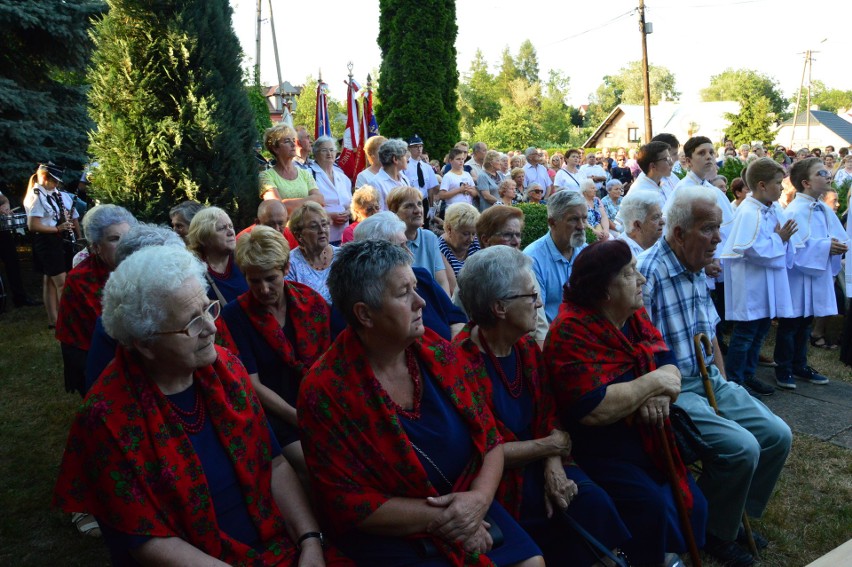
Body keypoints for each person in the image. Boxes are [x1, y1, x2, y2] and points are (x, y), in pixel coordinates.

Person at [53, 245, 346, 566]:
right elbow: (146, 539)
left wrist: (310, 541)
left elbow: (274, 464)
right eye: (192, 322)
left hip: (279, 546)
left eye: (209, 309)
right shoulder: (107, 419)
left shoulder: (228, 371)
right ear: (144, 342)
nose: (211, 328)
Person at [298, 239, 544, 567]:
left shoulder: (437, 352)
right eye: (404, 293)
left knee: (531, 563)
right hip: (395, 533)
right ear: (364, 314)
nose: (421, 302)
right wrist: (447, 517)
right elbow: (344, 501)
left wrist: (477, 502)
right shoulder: (326, 390)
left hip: (470, 503)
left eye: (416, 287)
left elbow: (491, 440)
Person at [638, 186, 792, 567]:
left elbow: (711, 336)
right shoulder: (647, 273)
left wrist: (726, 383)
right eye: (709, 229)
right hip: (673, 389)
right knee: (743, 448)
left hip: (709, 379)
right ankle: (713, 531)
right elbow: (638, 352)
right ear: (678, 233)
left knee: (777, 436)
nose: (718, 238)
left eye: (718, 228)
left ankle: (729, 512)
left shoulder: (694, 267)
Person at [455, 246, 630, 566]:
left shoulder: (525, 347)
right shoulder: (461, 361)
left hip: (546, 462)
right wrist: (550, 446)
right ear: (499, 307)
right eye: (531, 295)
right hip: (500, 482)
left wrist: (553, 463)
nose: (538, 303)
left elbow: (549, 412)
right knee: (551, 517)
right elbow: (484, 449)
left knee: (592, 503)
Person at [545, 239, 707, 566]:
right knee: (651, 506)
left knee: (696, 503)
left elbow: (669, 363)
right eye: (630, 273)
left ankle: (668, 554)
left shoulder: (633, 316)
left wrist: (658, 393)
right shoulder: (571, 330)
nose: (642, 279)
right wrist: (651, 383)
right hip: (597, 450)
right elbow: (591, 407)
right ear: (605, 290)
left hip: (646, 437)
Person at [223, 225, 330, 477]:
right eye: (254, 280)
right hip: (277, 417)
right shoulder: (235, 315)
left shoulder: (310, 301)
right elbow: (252, 384)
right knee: (323, 468)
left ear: (284, 269)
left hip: (322, 404)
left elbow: (333, 360)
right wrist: (300, 419)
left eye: (271, 278)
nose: (264, 289)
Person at [721, 157, 797, 397]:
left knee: (761, 331)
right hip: (751, 283)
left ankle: (749, 374)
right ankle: (735, 380)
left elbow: (785, 236)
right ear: (762, 185)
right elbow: (750, 248)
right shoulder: (748, 211)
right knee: (745, 334)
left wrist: (783, 239)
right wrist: (780, 239)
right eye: (778, 183)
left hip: (767, 282)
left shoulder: (773, 208)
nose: (783, 188)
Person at [774, 157, 846, 388]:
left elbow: (838, 236)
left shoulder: (823, 209)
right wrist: (826, 246)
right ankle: (783, 367)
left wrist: (838, 245)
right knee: (790, 324)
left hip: (815, 275)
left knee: (805, 322)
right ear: (806, 182)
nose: (827, 176)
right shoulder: (795, 210)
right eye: (821, 173)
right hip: (797, 277)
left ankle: (800, 364)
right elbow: (795, 248)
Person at [56, 204, 136, 396]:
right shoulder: (81, 278)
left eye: (127, 237)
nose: (124, 245)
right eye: (114, 239)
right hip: (92, 353)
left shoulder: (140, 266)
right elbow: (105, 327)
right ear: (96, 247)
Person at [354, 212, 467, 340]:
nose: (410, 254)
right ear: (375, 256)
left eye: (406, 245)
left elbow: (456, 317)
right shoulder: (364, 295)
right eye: (400, 248)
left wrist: (451, 351)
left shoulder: (421, 276)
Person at [471, 206, 549, 347]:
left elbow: (541, 327)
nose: (516, 241)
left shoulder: (526, 272)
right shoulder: (472, 276)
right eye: (507, 235)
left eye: (518, 235)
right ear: (486, 239)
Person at [23, 162, 80, 328]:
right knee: (61, 283)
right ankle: (69, 319)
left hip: (56, 238)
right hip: (46, 240)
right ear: (43, 178)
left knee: (49, 280)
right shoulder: (36, 196)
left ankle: (53, 320)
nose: (57, 184)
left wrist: (66, 223)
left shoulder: (53, 192)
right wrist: (58, 228)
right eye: (54, 181)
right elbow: (32, 226)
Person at [523, 190, 587, 322]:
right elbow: (537, 320)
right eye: (574, 219)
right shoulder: (533, 259)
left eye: (584, 218)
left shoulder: (586, 251)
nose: (581, 226)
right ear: (552, 223)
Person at [388, 185, 452, 296]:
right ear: (394, 212)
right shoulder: (389, 242)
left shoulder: (429, 238)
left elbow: (441, 281)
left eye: (419, 204)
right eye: (409, 206)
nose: (418, 210)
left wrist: (445, 309)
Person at [187, 206, 248, 304]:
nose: (231, 232)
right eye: (222, 228)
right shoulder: (194, 272)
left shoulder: (245, 259)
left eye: (231, 226)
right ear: (204, 237)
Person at [259, 124, 325, 213]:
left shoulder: (304, 173)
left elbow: (320, 200)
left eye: (293, 140)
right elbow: (277, 208)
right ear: (275, 148)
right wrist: (311, 200)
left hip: (308, 225)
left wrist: (287, 203)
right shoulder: (266, 176)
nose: (293, 144)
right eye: (287, 141)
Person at [286, 201, 339, 304]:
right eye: (314, 226)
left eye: (324, 224)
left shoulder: (342, 256)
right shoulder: (290, 264)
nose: (321, 230)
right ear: (299, 236)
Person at [0, 188, 39, 307]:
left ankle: (20, 298)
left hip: (2, 231)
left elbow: (3, 198)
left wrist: (5, 205)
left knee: (12, 262)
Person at [310, 136, 352, 244]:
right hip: (321, 236)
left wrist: (348, 212)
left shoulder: (343, 177)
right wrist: (328, 216)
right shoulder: (309, 175)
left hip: (344, 236)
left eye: (332, 150)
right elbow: (307, 207)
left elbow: (350, 203)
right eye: (324, 150)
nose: (329, 153)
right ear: (315, 154)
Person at [617, 190, 665, 256]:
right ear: (637, 225)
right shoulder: (621, 253)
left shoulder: (662, 241)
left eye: (661, 216)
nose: (663, 222)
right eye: (656, 217)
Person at [438, 202, 480, 275]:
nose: (471, 239)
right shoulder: (440, 250)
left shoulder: (476, 243)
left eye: (474, 234)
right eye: (466, 234)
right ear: (449, 229)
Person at [404, 134, 439, 214]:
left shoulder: (427, 167)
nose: (419, 149)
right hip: (410, 202)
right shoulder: (405, 167)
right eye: (415, 146)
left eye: (420, 146)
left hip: (424, 202)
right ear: (409, 148)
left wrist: (431, 207)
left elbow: (430, 188)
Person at [630, 141, 673, 206]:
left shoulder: (663, 183)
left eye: (670, 158)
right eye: (666, 159)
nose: (671, 163)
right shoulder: (640, 193)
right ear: (653, 166)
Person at [373, 138, 411, 210]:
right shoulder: (376, 183)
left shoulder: (404, 179)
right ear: (395, 159)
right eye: (404, 156)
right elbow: (379, 214)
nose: (407, 159)